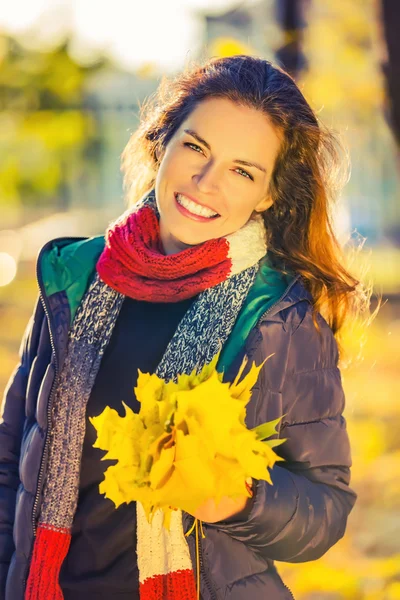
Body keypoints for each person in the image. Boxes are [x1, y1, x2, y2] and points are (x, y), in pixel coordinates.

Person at [0, 55, 372, 600]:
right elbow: (10, 463)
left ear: (267, 194)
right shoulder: (73, 280)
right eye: (196, 148)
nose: (205, 182)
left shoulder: (278, 318)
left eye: (242, 171)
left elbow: (326, 508)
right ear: (163, 143)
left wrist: (238, 501)